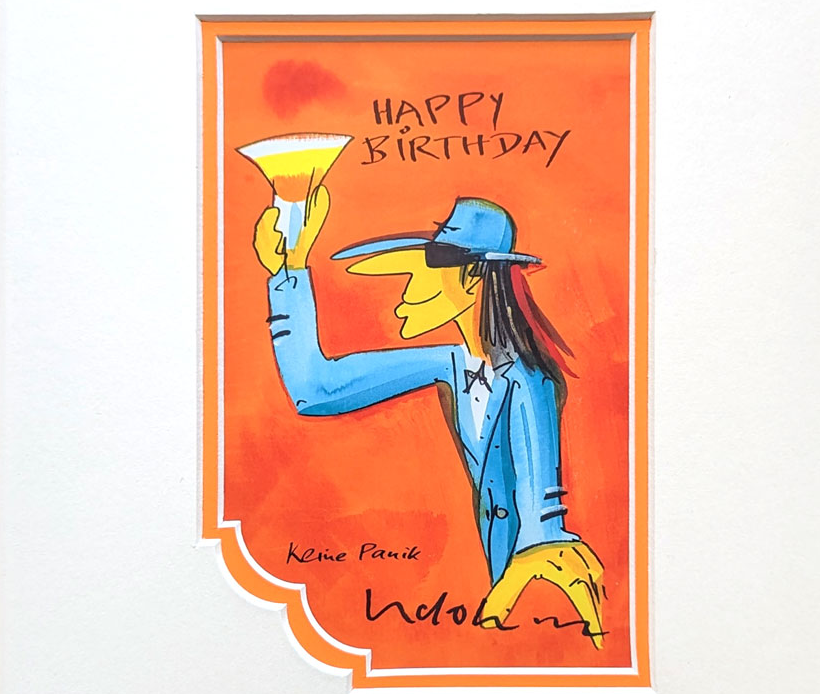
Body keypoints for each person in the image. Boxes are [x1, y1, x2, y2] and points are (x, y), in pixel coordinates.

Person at [253, 188, 605, 646]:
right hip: (504, 593)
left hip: (533, 599)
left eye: (420, 276)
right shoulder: (451, 364)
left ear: (473, 278)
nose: (403, 297)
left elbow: (541, 506)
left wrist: (541, 548)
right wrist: (287, 271)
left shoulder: (529, 381)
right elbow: (316, 390)